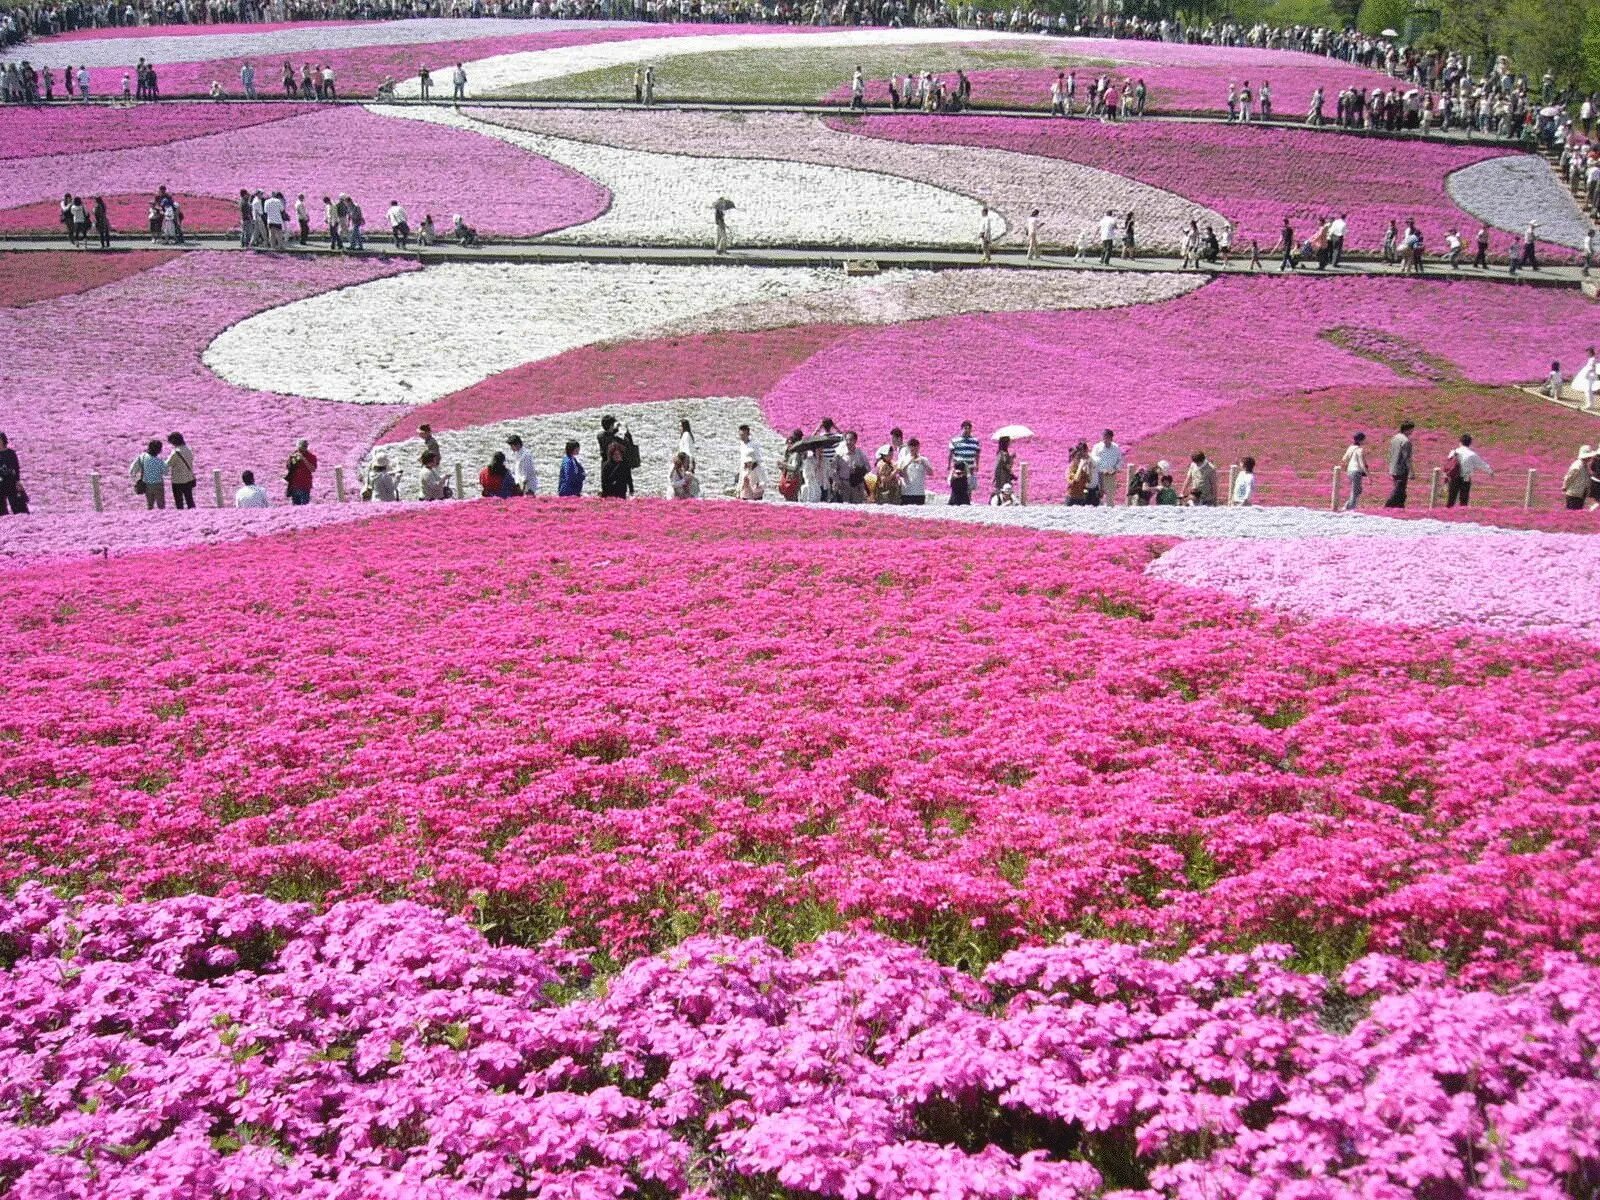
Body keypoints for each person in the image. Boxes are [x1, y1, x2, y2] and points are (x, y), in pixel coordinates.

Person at [1445, 434, 1491, 507]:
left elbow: (1448, 464)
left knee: (1451, 499)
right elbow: (1481, 464)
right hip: (1466, 478)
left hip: (1454, 477)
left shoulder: (1453, 452)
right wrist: (1490, 471)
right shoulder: (1472, 454)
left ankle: (1447, 515)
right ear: (1470, 443)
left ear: (1460, 442)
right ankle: (1463, 514)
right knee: (1464, 500)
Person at [131, 439, 169, 509]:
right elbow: (166, 472)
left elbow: (133, 469)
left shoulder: (142, 457)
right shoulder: (159, 461)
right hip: (158, 484)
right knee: (161, 506)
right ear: (159, 450)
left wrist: (135, 476)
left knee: (150, 506)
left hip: (147, 484)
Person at [1385, 421, 1415, 508]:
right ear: (1407, 430)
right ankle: (1388, 506)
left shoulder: (1395, 438)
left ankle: (1400, 507)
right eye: (1411, 430)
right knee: (1399, 490)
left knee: (1400, 491)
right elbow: (1407, 458)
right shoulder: (1406, 441)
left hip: (1393, 467)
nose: (1412, 432)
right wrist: (1411, 472)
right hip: (1401, 469)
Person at [1089, 429, 1123, 505]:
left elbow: (1120, 460)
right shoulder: (1097, 447)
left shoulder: (1116, 447)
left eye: (1107, 437)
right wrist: (1101, 469)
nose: (1105, 439)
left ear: (1111, 438)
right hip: (1099, 474)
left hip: (1111, 475)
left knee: (1110, 497)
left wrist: (1115, 469)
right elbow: (1093, 459)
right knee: (1098, 495)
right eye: (1104, 437)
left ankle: (1109, 511)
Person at [166, 432, 196, 509]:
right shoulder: (188, 449)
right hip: (188, 478)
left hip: (178, 480)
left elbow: (168, 464)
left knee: (179, 502)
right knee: (190, 500)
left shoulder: (176, 452)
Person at [1340, 432, 1369, 510]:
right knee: (1355, 491)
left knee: (1357, 490)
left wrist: (1346, 468)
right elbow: (1362, 465)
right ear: (1360, 440)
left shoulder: (1350, 448)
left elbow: (1344, 459)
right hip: (1356, 472)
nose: (1365, 441)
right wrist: (1369, 476)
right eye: (1364, 439)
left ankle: (1347, 506)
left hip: (1350, 471)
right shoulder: (1360, 450)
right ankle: (1350, 508)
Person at [898, 438, 931, 505]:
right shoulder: (903, 459)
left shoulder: (924, 459)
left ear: (918, 447)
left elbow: (931, 473)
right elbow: (900, 474)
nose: (913, 450)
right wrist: (908, 463)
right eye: (911, 448)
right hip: (906, 493)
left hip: (919, 493)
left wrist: (923, 463)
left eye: (915, 448)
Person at [284, 439, 317, 505]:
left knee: (304, 507)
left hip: (305, 486)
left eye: (304, 447)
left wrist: (304, 459)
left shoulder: (311, 457)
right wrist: (293, 460)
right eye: (300, 447)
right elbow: (289, 468)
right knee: (295, 507)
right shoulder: (293, 455)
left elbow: (312, 469)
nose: (302, 449)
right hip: (294, 486)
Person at [0, 432, 26, 515]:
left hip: (11, 481)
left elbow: (16, 467)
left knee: (18, 505)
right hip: (0, 483)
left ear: (3, 440)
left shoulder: (11, 453)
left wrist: (18, 481)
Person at [1563, 446, 1594, 510]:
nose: (1590, 458)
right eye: (1589, 457)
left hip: (1580, 494)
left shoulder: (1584, 465)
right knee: (1572, 513)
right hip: (1574, 495)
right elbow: (1569, 478)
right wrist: (1565, 486)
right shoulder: (1577, 466)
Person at [992, 434, 1016, 502]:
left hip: (999, 476)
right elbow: (1007, 466)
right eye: (1008, 441)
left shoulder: (999, 453)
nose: (1009, 443)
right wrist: (1012, 458)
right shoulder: (1004, 454)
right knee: (1004, 491)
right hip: (1003, 477)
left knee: (999, 490)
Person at [1576, 348, 1597, 413]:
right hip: (1590, 375)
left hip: (1590, 376)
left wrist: (1587, 373)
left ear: (1590, 352)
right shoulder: (1590, 359)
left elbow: (1592, 368)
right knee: (1588, 390)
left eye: (1588, 352)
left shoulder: (1592, 359)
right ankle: (1591, 404)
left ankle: (1589, 405)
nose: (1587, 354)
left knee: (1588, 390)